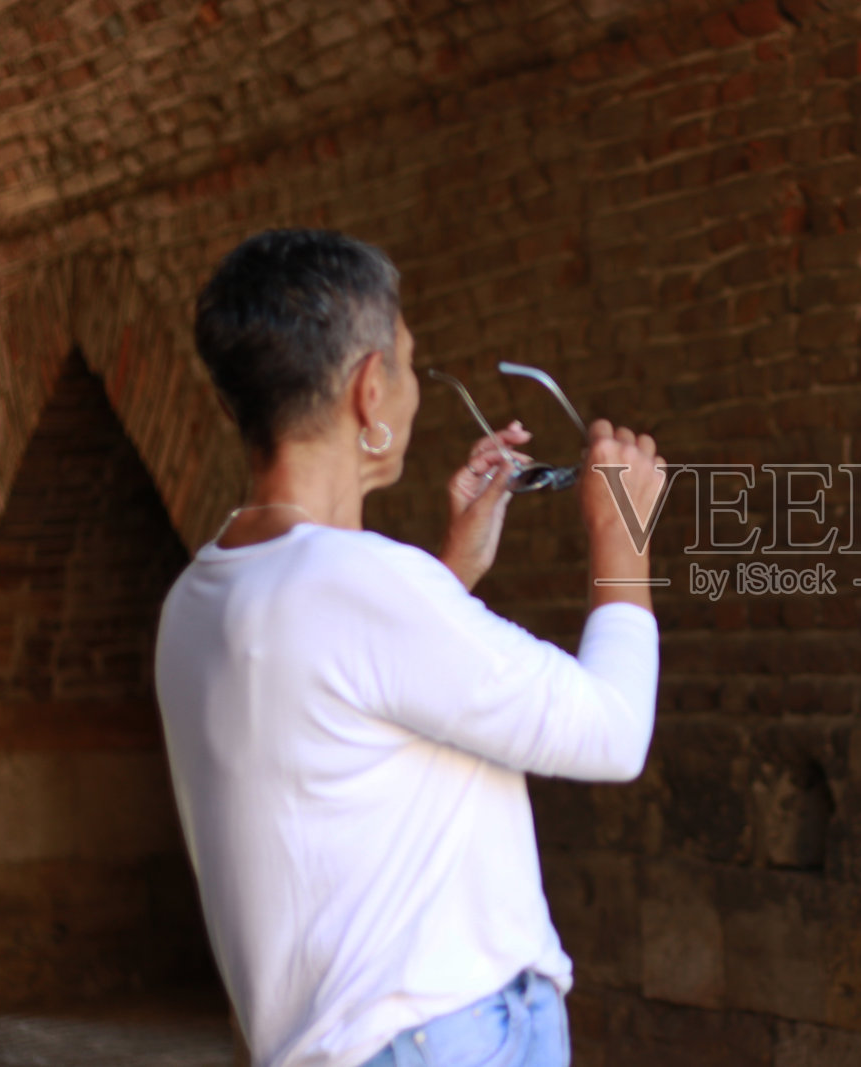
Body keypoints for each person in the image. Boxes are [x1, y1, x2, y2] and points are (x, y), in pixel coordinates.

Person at [155, 228, 665, 1067]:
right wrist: (624, 538)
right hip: (443, 1036)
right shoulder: (368, 588)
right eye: (409, 364)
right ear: (368, 389)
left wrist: (449, 570)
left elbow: (334, 694)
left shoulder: (199, 598)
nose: (414, 395)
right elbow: (612, 733)